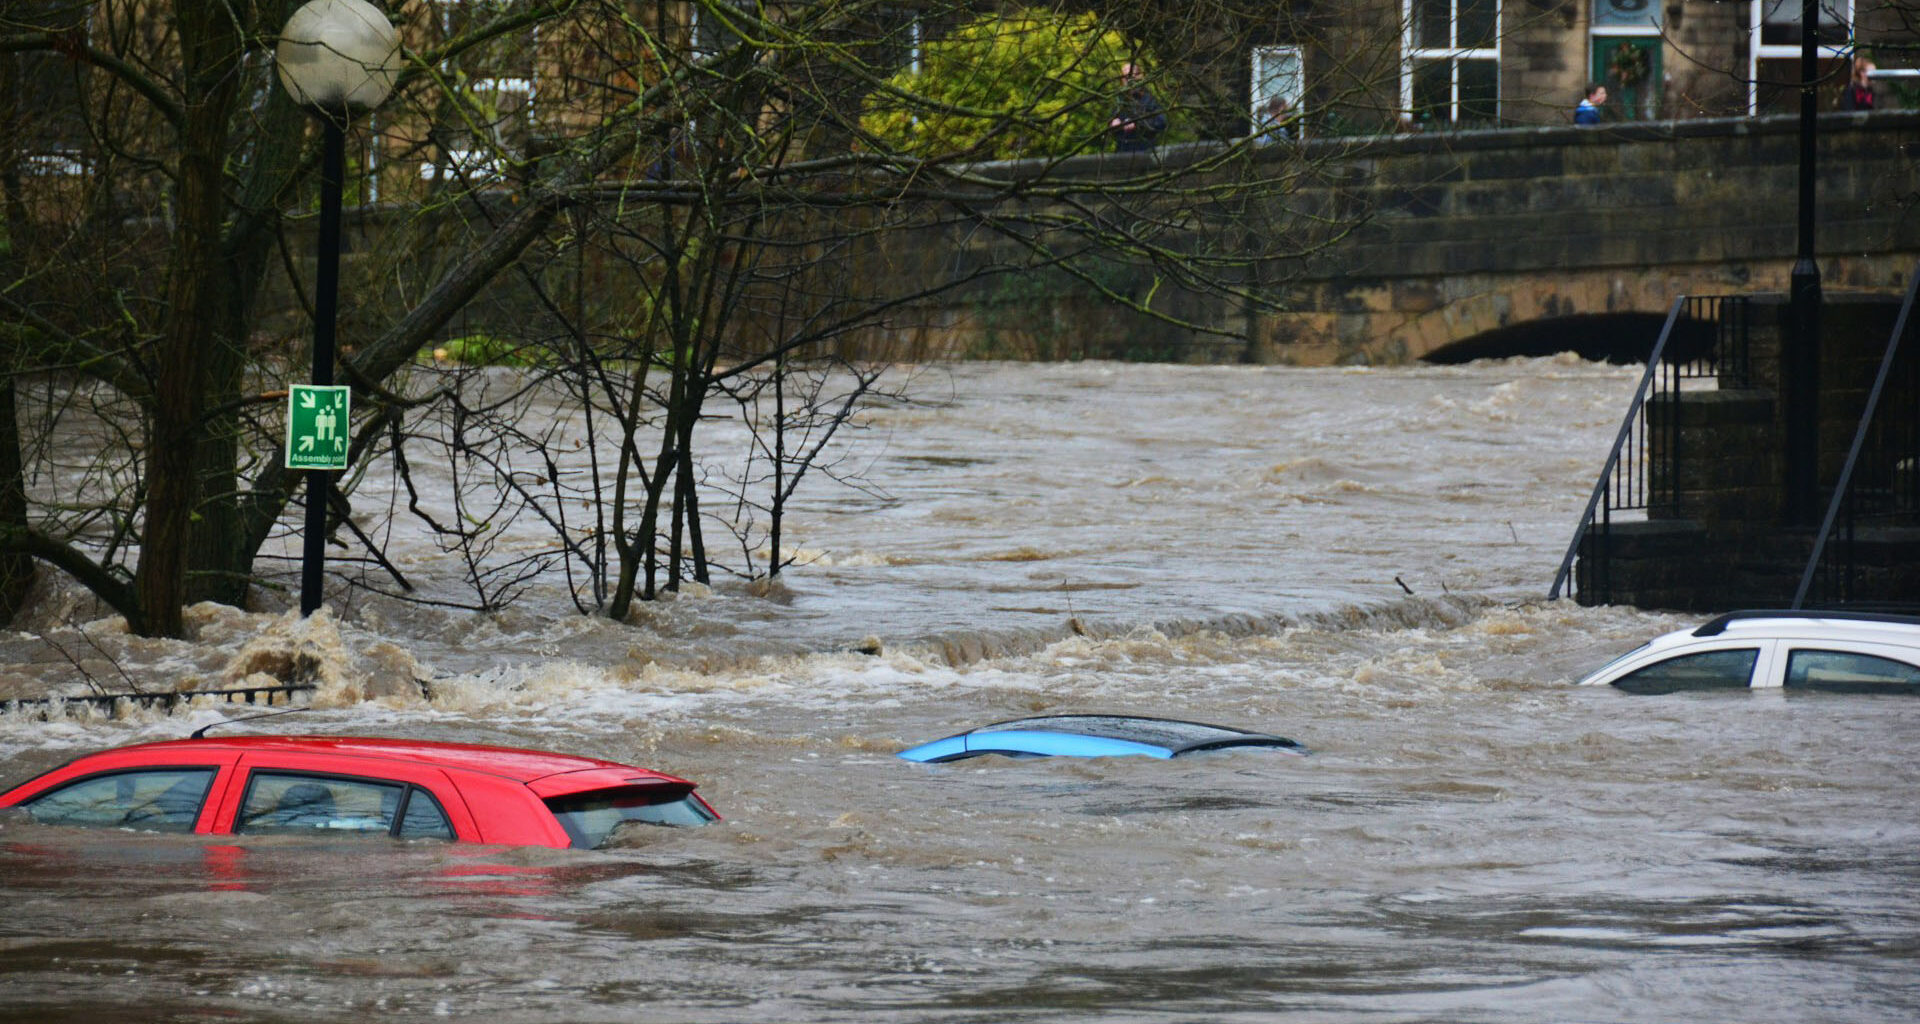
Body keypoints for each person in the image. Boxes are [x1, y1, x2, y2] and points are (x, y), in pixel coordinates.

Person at [1110, 63, 1167, 152]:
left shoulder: (1149, 99)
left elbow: (1161, 122)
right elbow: (1112, 122)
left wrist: (1137, 125)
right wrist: (1113, 123)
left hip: (1145, 152)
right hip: (1122, 153)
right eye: (1125, 78)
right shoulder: (1120, 101)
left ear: (1140, 77)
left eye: (1131, 77)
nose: (1129, 81)